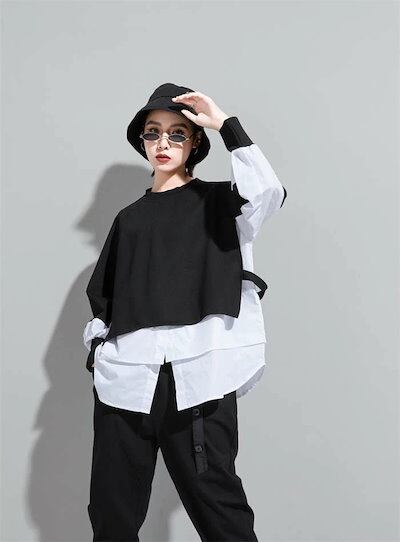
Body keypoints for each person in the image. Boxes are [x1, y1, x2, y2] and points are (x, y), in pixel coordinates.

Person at [84, 83, 287, 541]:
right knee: (111, 515)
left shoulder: (221, 203)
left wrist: (224, 123)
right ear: (142, 141)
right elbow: (103, 301)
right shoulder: (128, 219)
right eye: (153, 132)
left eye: (177, 133)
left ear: (195, 141)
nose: (163, 143)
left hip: (199, 376)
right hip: (127, 380)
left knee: (220, 510)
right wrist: (99, 357)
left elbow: (268, 193)